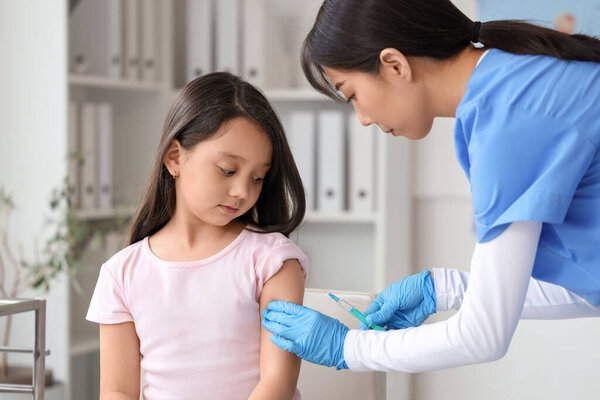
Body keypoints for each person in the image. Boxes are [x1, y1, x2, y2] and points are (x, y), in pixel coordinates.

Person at [262, 0, 600, 373]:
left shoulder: (506, 120)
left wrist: (349, 348)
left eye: (351, 94)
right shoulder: (512, 83)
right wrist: (446, 288)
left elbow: (483, 335)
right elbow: (590, 285)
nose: (362, 118)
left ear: (395, 64)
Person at [86, 72, 308, 399]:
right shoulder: (121, 274)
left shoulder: (273, 262)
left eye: (258, 177)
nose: (242, 191)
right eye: (228, 170)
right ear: (175, 157)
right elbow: (117, 392)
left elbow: (278, 382)